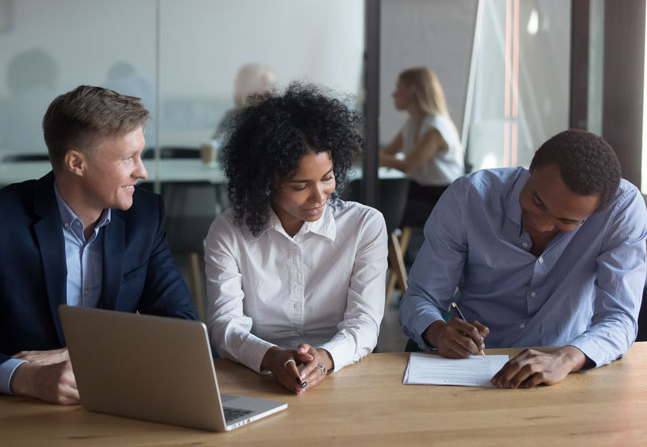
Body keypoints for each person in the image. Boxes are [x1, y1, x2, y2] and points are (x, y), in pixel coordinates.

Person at [400, 129, 647, 389]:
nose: (541, 225)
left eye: (566, 221)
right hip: (468, 366)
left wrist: (565, 358)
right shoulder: (469, 196)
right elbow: (421, 297)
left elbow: (619, 318)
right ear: (530, 168)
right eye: (538, 202)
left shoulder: (621, 210)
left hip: (559, 373)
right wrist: (439, 332)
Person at [0, 85, 198, 405]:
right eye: (127, 158)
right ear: (76, 163)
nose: (142, 171)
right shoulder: (5, 220)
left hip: (114, 398)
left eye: (141, 155)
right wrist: (22, 376)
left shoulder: (145, 216)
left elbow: (181, 326)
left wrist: (75, 353)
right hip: (18, 409)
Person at [205, 83, 387, 394]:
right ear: (266, 182)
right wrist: (272, 357)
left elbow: (364, 324)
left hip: (344, 374)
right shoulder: (229, 232)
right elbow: (226, 327)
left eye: (327, 178)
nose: (320, 196)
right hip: (255, 379)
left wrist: (326, 357)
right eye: (300, 186)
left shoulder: (364, 225)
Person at [379, 67, 465, 227]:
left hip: (442, 199)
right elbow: (387, 153)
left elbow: (408, 165)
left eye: (398, 88)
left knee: (381, 209)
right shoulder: (412, 123)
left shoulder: (436, 128)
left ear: (412, 90)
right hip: (421, 190)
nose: (394, 94)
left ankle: (388, 250)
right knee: (377, 202)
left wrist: (373, 158)